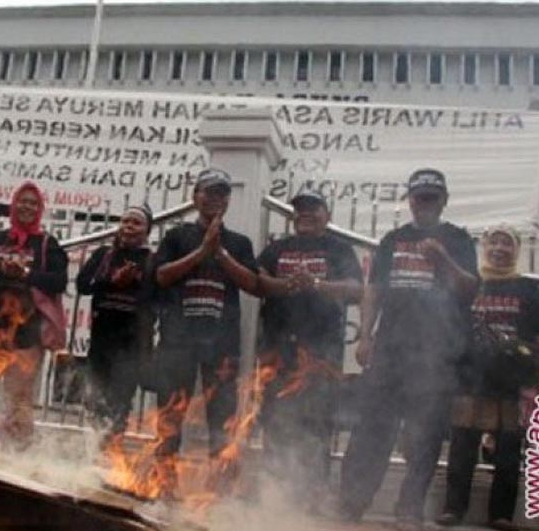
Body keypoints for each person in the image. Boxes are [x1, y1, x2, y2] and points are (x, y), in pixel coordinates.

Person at [339, 168, 479, 530]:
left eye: (432, 197)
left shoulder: (458, 239)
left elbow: (469, 290)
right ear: (410, 201)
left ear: (444, 200)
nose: (425, 203)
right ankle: (352, 502)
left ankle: (409, 508)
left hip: (437, 353)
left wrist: (442, 260)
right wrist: (366, 336)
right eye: (419, 197)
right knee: (372, 426)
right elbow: (374, 290)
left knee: (426, 433)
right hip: (390, 349)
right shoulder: (392, 240)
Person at [153, 168, 259, 492]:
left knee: (222, 418)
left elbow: (253, 283)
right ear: (195, 196)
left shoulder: (239, 242)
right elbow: (160, 276)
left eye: (221, 194)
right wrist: (200, 253)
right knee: (170, 415)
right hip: (178, 340)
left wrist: (221, 254)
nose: (215, 199)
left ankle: (218, 490)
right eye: (208, 192)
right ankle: (163, 484)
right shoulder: (175, 236)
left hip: (222, 343)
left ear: (228, 201)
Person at [256, 187, 362, 507]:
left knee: (317, 422)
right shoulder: (277, 248)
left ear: (327, 217)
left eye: (314, 209)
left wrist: (317, 285)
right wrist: (286, 284)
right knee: (275, 419)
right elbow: (257, 280)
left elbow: (356, 290)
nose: (306, 214)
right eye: (300, 209)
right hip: (277, 347)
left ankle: (312, 495)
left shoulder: (339, 249)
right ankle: (274, 494)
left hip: (321, 350)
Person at [438, 225, 539, 531]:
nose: (499, 248)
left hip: (511, 379)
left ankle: (501, 515)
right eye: (493, 242)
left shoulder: (527, 288)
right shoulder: (471, 283)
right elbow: (452, 327)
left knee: (509, 449)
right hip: (472, 374)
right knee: (463, 445)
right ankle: (453, 509)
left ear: (516, 249)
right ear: (484, 247)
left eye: (507, 243)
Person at [0, 181, 68, 450]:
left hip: (27, 333)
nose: (27, 207)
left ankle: (16, 453)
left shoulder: (48, 243)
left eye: (33, 203)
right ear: (13, 205)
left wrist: (25, 274)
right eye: (22, 201)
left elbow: (59, 281)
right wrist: (2, 271)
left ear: (40, 209)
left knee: (20, 396)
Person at [76, 204, 155, 442]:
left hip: (131, 342)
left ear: (147, 231)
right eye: (125, 221)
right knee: (96, 398)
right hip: (102, 338)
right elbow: (82, 285)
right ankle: (95, 448)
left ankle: (113, 449)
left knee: (120, 401)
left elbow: (156, 297)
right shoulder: (103, 255)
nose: (129, 227)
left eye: (136, 223)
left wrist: (133, 281)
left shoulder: (152, 260)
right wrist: (112, 280)